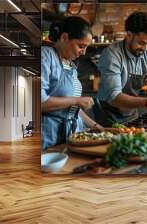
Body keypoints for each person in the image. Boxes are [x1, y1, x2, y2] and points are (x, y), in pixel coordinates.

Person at [41, 16, 102, 151]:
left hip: (70, 136)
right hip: (50, 137)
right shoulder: (46, 56)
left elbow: (72, 109)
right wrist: (76, 100)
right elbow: (39, 102)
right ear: (64, 38)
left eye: (86, 47)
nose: (84, 52)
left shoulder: (72, 66)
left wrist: (95, 126)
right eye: (81, 46)